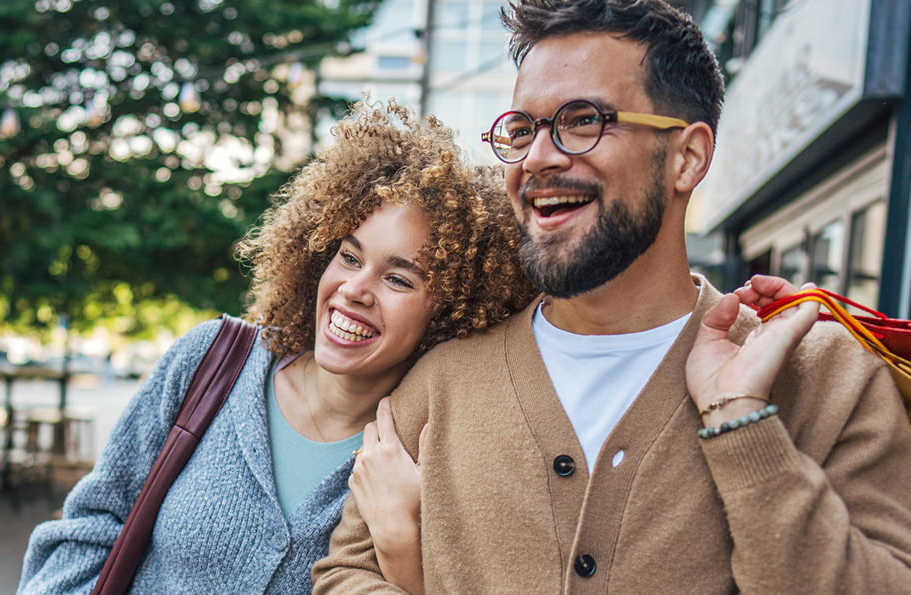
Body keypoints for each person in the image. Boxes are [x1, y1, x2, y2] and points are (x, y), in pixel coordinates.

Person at [314, 1, 911, 592]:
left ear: (688, 157)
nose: (539, 158)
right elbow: (345, 575)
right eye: (522, 130)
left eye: (582, 121)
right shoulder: (438, 388)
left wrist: (742, 424)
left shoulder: (829, 376)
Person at [18, 101, 535, 594]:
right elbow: (90, 527)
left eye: (399, 280)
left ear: (451, 310)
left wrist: (403, 534)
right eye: (349, 258)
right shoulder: (212, 362)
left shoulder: (435, 448)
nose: (355, 289)